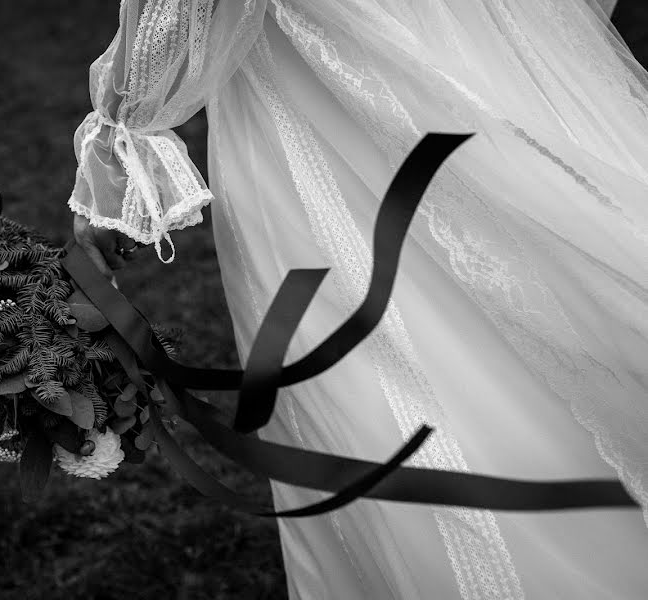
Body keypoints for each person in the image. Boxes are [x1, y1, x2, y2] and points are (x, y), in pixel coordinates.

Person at [69, 1, 648, 597]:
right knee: (533, 301)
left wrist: (123, 144)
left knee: (384, 375)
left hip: (314, 96)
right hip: (464, 57)